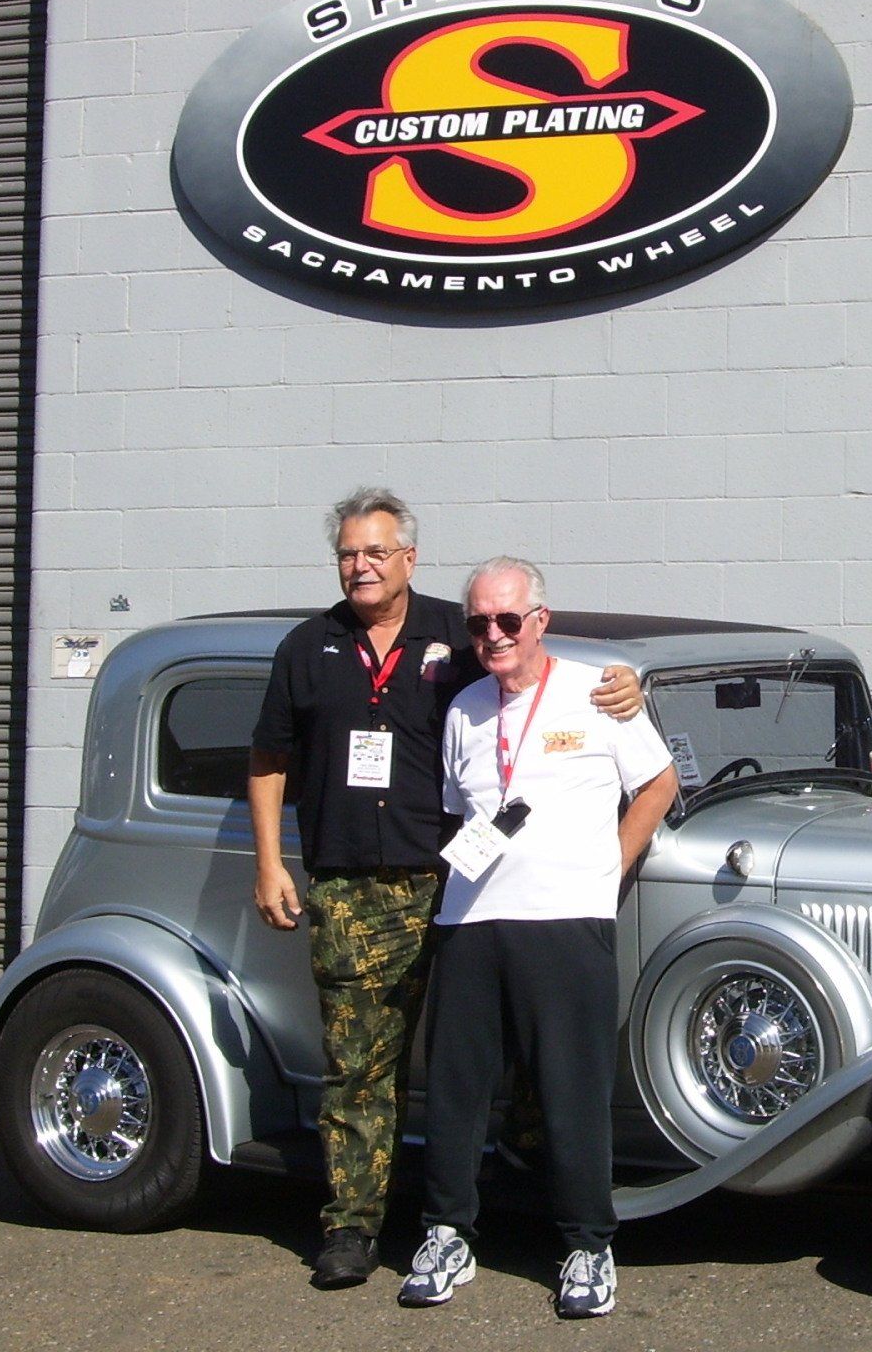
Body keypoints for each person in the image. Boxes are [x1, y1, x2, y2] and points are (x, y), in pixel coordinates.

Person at [248, 490, 640, 1290]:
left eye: (376, 553)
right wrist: (268, 861)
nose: (361, 566)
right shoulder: (306, 647)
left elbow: (530, 668)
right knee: (361, 1066)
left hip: (456, 882)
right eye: (349, 554)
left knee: (514, 1062)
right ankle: (355, 1228)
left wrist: (626, 683)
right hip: (354, 888)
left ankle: (536, 1210)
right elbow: (267, 760)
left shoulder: (456, 636)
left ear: (408, 560)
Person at [400, 556, 678, 1320]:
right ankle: (447, 1233)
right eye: (479, 622)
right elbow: (463, 809)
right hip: (470, 922)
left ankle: (588, 1245)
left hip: (566, 921)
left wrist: (609, 869)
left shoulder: (599, 694)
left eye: (508, 620)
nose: (494, 635)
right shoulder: (464, 710)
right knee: (457, 1093)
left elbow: (658, 786)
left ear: (539, 621)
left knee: (571, 1091)